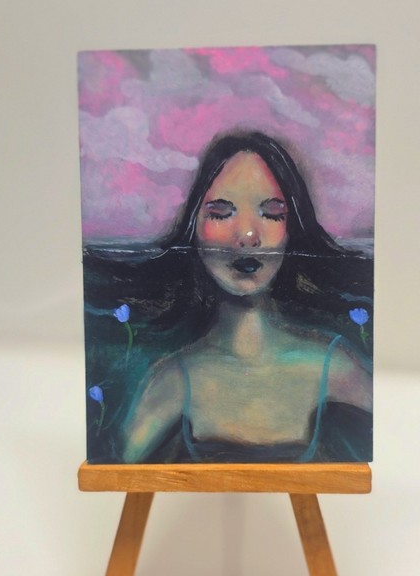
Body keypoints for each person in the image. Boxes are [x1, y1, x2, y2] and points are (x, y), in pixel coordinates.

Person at [85, 131, 373, 463]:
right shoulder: (173, 381)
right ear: (194, 229)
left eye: (272, 213)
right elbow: (120, 467)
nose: (247, 236)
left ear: (292, 229)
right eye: (221, 213)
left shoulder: (336, 368)